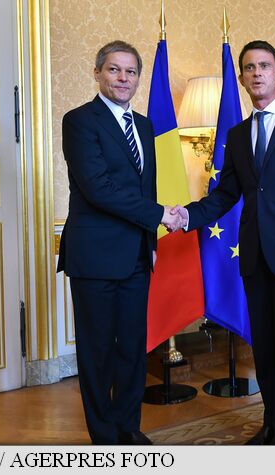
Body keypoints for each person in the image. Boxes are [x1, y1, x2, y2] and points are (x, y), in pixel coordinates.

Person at [173, 40, 275, 445]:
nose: (257, 73)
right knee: (263, 348)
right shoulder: (237, 134)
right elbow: (225, 195)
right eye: (249, 67)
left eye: (264, 66)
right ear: (242, 78)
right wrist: (186, 216)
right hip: (254, 256)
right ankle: (271, 423)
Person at [56, 40, 182, 445]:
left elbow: (147, 187)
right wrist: (160, 215)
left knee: (132, 349)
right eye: (114, 69)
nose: (123, 78)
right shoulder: (79, 121)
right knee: (98, 353)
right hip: (94, 257)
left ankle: (128, 428)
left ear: (138, 78)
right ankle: (105, 438)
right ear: (97, 73)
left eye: (130, 71)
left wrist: (152, 241)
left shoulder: (144, 125)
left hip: (136, 256)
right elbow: (98, 188)